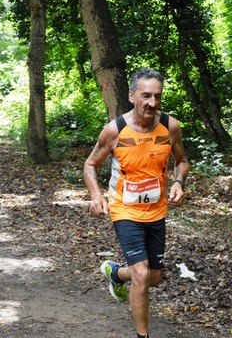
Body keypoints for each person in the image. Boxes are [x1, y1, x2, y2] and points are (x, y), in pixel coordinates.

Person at [84, 68, 189, 338]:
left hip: (155, 211)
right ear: (132, 96)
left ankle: (116, 273)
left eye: (157, 96)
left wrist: (178, 183)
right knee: (141, 275)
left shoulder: (170, 127)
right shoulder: (115, 130)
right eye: (145, 96)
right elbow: (90, 164)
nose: (152, 103)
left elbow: (182, 162)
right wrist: (97, 195)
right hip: (125, 209)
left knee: (154, 278)